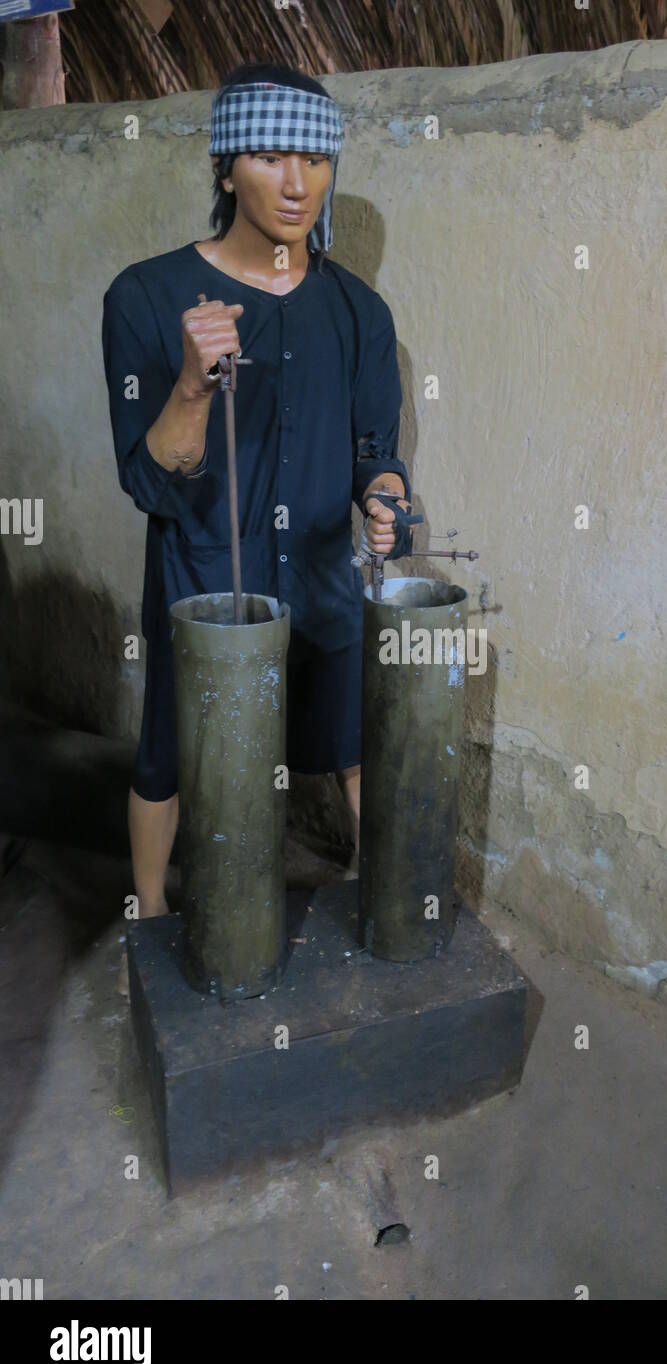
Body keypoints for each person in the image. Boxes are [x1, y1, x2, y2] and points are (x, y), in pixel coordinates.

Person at [101, 62, 415, 969]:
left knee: (353, 742)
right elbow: (147, 476)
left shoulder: (359, 312)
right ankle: (153, 915)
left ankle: (388, 908)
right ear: (224, 166)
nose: (296, 183)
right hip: (204, 572)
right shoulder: (148, 299)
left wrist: (386, 503)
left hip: (321, 571)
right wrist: (195, 386)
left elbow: (374, 456)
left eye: (315, 160)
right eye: (271, 156)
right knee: (170, 753)